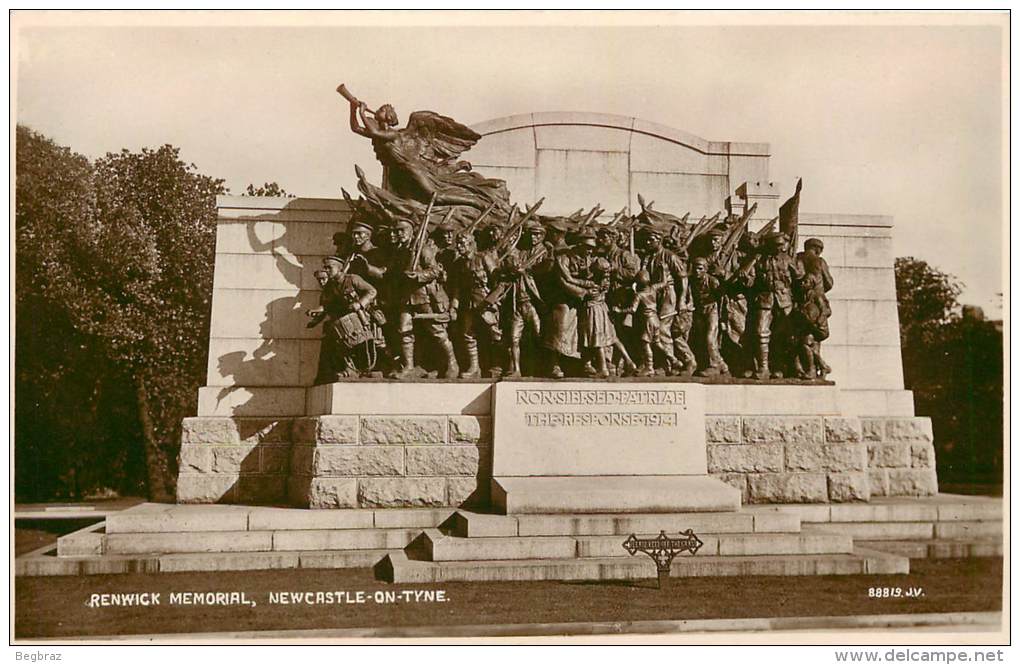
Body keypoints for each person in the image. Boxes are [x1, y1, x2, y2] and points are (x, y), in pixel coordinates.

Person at [383, 217, 459, 379]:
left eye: (402, 230)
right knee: (404, 329)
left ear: (411, 231)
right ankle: (409, 366)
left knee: (437, 332)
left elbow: (435, 271)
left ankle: (452, 363)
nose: (398, 234)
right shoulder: (399, 251)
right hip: (405, 298)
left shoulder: (423, 249)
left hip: (423, 297)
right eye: (397, 231)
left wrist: (418, 276)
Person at [308, 256, 384, 382]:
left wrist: (360, 303)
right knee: (336, 340)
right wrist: (316, 313)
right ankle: (349, 369)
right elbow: (326, 305)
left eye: (329, 267)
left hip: (363, 317)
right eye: (324, 267)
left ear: (339, 268)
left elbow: (372, 291)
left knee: (367, 343)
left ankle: (373, 368)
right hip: (344, 322)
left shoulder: (352, 279)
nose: (326, 270)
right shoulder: (330, 286)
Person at [738, 231, 803, 379]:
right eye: (776, 245)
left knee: (786, 335)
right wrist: (746, 279)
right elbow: (751, 282)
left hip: (785, 301)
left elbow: (799, 280)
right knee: (761, 332)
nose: (780, 248)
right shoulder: (759, 259)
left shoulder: (788, 260)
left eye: (781, 245)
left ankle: (781, 367)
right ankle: (763, 367)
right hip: (765, 299)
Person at [636, 223, 696, 375]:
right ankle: (682, 361)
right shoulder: (648, 257)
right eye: (646, 240)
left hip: (668, 295)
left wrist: (682, 300)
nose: (647, 243)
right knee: (663, 331)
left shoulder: (670, 256)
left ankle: (671, 365)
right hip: (652, 296)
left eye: (651, 240)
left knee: (663, 329)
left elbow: (683, 279)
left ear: (659, 240)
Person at [499, 219, 550, 377]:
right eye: (531, 234)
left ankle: (546, 368)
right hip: (517, 302)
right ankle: (516, 370)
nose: (533, 238)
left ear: (542, 236)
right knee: (514, 338)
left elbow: (544, 274)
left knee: (540, 336)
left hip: (533, 303)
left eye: (536, 235)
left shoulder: (545, 253)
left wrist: (526, 272)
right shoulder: (522, 252)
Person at [449, 231, 502, 378]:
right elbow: (457, 288)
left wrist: (491, 301)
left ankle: (499, 365)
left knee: (495, 334)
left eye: (461, 243)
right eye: (457, 243)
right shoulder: (459, 264)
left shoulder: (483, 258)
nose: (458, 246)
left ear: (471, 244)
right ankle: (474, 368)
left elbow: (499, 282)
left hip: (486, 302)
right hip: (468, 303)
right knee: (468, 335)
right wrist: (454, 306)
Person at [614, 269, 678, 376]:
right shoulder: (653, 289)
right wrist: (664, 274)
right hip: (656, 319)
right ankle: (674, 359)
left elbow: (633, 310)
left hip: (648, 321)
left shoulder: (639, 295)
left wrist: (619, 310)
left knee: (645, 344)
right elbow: (663, 283)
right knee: (657, 343)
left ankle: (649, 367)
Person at [793, 238, 834, 379]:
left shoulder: (798, 257)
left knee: (805, 338)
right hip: (816, 302)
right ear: (817, 249)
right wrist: (818, 287)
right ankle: (818, 368)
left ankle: (815, 368)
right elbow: (829, 282)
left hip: (801, 302)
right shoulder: (820, 261)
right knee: (811, 339)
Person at [689, 256, 729, 377]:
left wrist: (722, 319)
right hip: (699, 311)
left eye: (700, 269)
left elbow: (722, 300)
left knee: (710, 338)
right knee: (702, 339)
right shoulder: (692, 281)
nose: (697, 271)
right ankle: (722, 364)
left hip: (712, 310)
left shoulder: (712, 281)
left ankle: (714, 366)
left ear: (705, 269)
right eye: (695, 268)